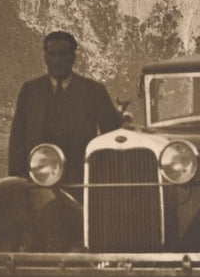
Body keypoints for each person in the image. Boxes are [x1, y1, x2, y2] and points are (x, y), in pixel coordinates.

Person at [7, 31, 123, 182]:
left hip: (79, 179)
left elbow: (111, 134)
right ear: (45, 58)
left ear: (73, 58)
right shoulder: (30, 90)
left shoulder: (94, 91)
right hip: (38, 178)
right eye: (52, 54)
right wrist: (17, 177)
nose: (57, 60)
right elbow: (17, 136)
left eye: (63, 55)